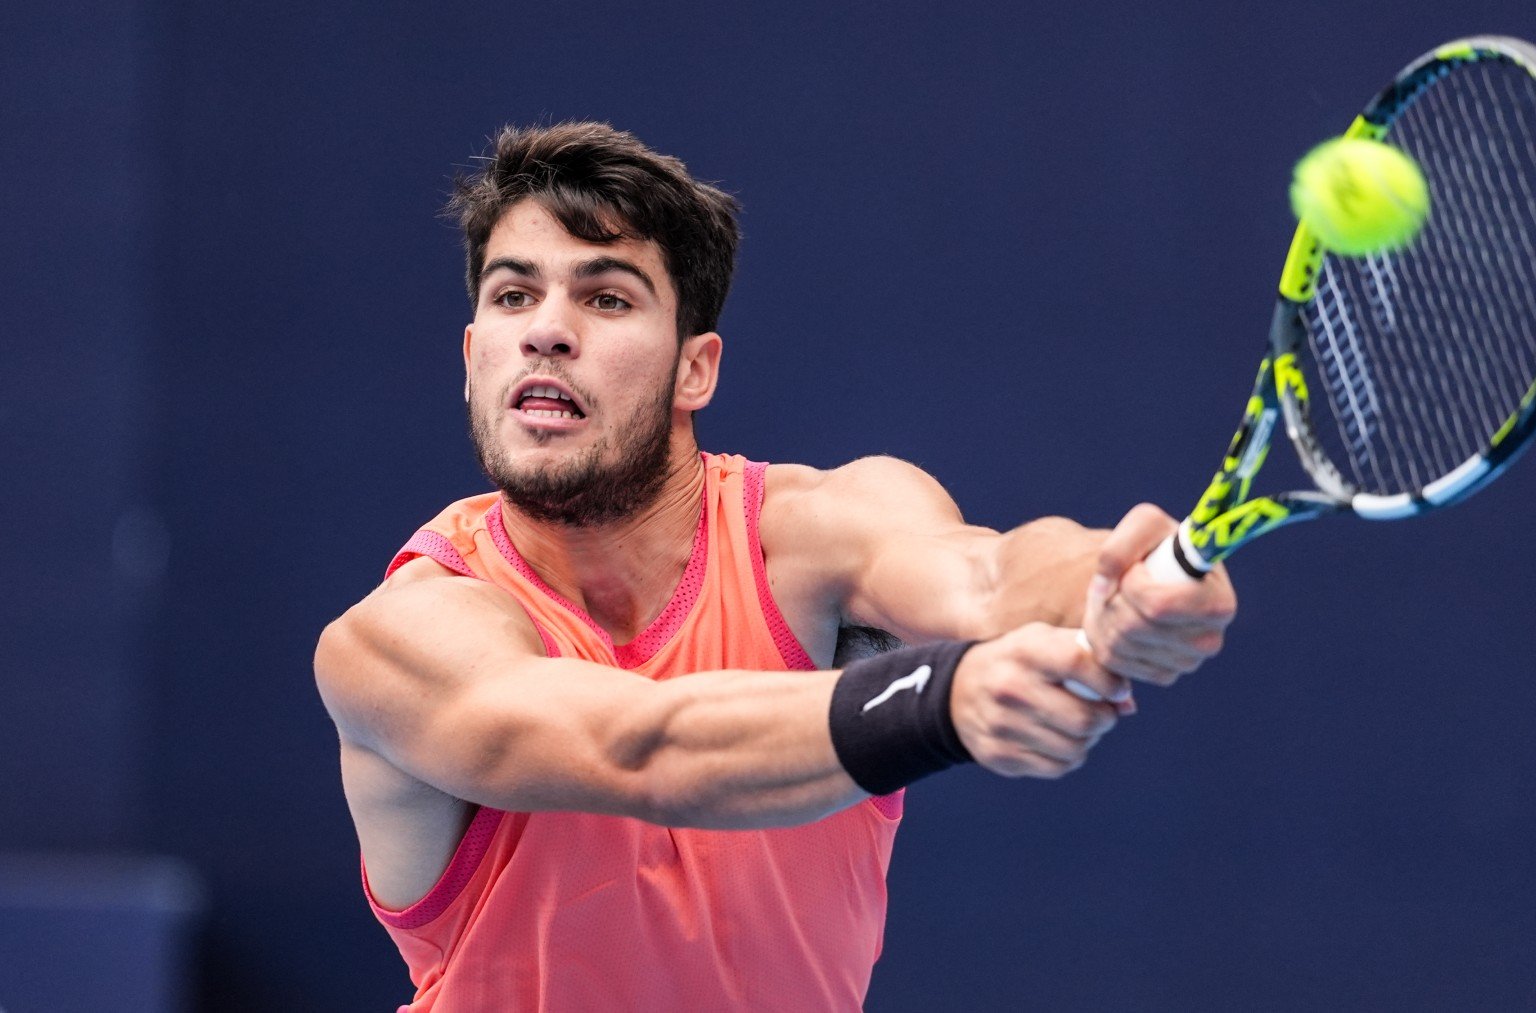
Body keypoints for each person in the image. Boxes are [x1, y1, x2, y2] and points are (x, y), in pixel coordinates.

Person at [314, 121, 1238, 1012]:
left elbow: (989, 578)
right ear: (474, 359)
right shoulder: (398, 638)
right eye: (513, 296)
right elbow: (633, 745)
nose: (547, 331)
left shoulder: (808, 532)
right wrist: (939, 701)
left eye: (606, 297)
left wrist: (1110, 582)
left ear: (695, 371)